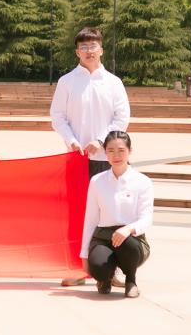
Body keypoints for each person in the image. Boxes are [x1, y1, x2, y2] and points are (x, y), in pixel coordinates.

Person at [50, 26, 131, 287]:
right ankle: (78, 269)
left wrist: (101, 140)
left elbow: (122, 117)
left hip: (108, 159)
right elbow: (57, 116)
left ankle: (110, 271)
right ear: (77, 52)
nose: (89, 51)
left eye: (93, 46)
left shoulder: (113, 82)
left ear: (101, 50)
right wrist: (72, 141)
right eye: (83, 47)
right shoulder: (67, 81)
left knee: (111, 213)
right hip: (76, 159)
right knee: (77, 214)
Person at [80, 131, 153, 297]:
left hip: (131, 240)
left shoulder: (143, 181)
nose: (116, 155)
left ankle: (131, 280)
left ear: (130, 151)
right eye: (111, 151)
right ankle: (105, 278)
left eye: (121, 150)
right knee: (97, 267)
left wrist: (128, 229)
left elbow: (146, 218)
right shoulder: (97, 181)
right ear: (105, 153)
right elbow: (90, 218)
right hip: (103, 237)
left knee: (127, 244)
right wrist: (84, 255)